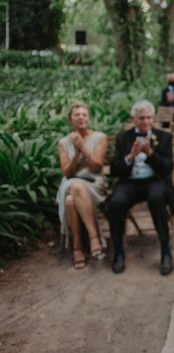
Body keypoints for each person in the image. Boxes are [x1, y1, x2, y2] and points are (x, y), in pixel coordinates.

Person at [107, 100, 174, 275]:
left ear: (153, 118)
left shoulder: (164, 137)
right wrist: (130, 156)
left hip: (154, 180)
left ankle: (165, 250)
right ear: (134, 119)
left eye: (149, 117)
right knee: (116, 202)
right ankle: (118, 251)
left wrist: (150, 154)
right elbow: (114, 170)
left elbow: (167, 168)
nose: (146, 122)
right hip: (129, 182)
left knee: (157, 199)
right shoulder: (123, 137)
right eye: (141, 118)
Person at [56, 103, 108, 269]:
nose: (81, 117)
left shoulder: (100, 137)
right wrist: (76, 154)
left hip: (94, 183)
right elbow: (67, 173)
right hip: (72, 182)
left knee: (72, 198)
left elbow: (96, 167)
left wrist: (83, 148)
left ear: (89, 118)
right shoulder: (63, 142)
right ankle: (94, 239)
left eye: (84, 114)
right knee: (74, 190)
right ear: (70, 119)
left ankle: (77, 247)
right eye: (77, 115)